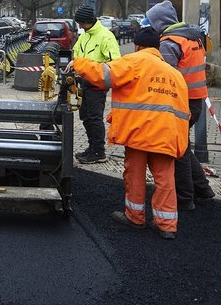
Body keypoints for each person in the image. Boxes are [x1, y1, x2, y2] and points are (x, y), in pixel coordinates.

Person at [68, 26, 190, 239]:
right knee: (165, 179)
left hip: (138, 133)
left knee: (134, 175)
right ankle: (167, 225)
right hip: (166, 135)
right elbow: (183, 112)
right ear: (158, 47)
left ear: (137, 45)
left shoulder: (134, 62)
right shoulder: (174, 74)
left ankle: (135, 217)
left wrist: (78, 62)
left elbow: (103, 75)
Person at [145, 0, 216, 211]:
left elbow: (165, 76)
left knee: (178, 150)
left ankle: (185, 198)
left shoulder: (170, 42)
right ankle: (203, 189)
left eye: (152, 21)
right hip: (195, 100)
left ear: (160, 22)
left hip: (180, 102)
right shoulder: (192, 37)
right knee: (183, 145)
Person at [71, 5, 121, 164]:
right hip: (84, 83)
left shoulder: (106, 36)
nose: (79, 26)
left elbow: (115, 63)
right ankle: (92, 147)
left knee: (94, 118)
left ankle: (99, 151)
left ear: (87, 21)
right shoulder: (84, 36)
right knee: (85, 117)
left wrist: (91, 68)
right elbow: (77, 55)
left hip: (97, 85)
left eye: (80, 22)